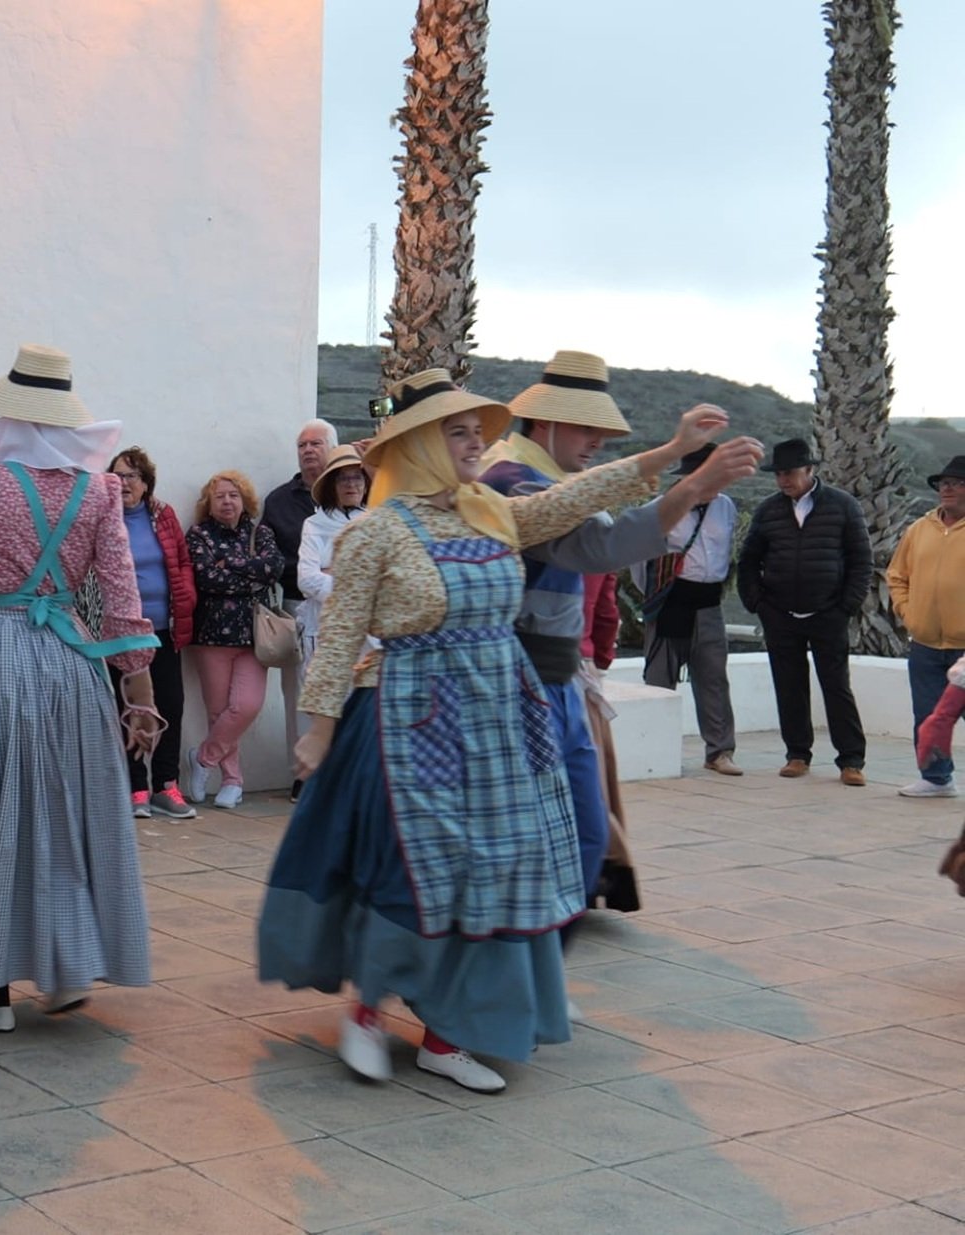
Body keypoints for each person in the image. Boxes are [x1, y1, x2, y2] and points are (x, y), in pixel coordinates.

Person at [257, 367, 756, 1095]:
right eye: (458, 432)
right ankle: (367, 1014)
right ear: (422, 442)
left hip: (495, 719)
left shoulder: (493, 511)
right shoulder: (377, 532)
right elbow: (338, 637)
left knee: (487, 872)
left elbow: (583, 498)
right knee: (407, 868)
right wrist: (321, 729)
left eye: (476, 431)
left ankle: (446, 1032)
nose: (474, 442)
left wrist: (670, 455)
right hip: (409, 717)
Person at [0, 343, 158, 1034]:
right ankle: (67, 963)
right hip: (70, 665)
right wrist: (142, 697)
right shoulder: (100, 491)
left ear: (9, 415)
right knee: (66, 810)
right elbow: (124, 599)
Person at [481, 351, 718, 920]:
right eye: (588, 427)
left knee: (582, 835)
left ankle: (530, 953)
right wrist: (686, 481)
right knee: (552, 837)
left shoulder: (543, 477)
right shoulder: (508, 478)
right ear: (547, 422)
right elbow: (597, 545)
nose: (596, 442)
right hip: (519, 680)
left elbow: (598, 536)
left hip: (560, 677)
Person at [738, 437, 870, 784]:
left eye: (790, 472)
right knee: (789, 686)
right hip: (780, 614)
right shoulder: (768, 510)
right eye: (778, 473)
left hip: (829, 614)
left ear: (810, 470)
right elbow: (749, 560)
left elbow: (861, 561)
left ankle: (851, 761)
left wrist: (846, 607)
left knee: (837, 687)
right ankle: (797, 754)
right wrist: (758, 604)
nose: (783, 480)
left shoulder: (843, 506)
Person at [182, 468, 283, 810]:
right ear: (208, 504)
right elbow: (207, 577)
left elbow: (273, 568)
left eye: (234, 495)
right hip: (212, 635)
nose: (227, 501)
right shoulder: (198, 535)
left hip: (254, 636)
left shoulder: (261, 532)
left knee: (246, 706)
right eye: (220, 496)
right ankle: (232, 781)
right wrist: (248, 574)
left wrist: (231, 565)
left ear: (245, 501)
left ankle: (203, 758)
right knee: (218, 711)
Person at [110, 446, 198, 820]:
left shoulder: (163, 516)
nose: (123, 483)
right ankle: (136, 788)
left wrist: (187, 598)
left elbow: (180, 561)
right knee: (129, 710)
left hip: (164, 630)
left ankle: (167, 785)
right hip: (122, 635)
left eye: (131, 476)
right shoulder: (104, 517)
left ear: (146, 483)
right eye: (116, 476)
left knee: (171, 706)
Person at [642, 443, 740, 776]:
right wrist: (654, 598)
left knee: (713, 678)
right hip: (671, 603)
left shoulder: (726, 507)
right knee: (659, 679)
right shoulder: (662, 507)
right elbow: (640, 561)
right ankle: (654, 750)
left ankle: (720, 751)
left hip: (709, 603)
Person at [263, 420, 338, 797]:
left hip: (346, 614)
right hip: (297, 607)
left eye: (316, 443)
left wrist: (329, 573)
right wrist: (313, 571)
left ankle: (337, 775)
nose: (308, 450)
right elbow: (273, 559)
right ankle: (302, 776)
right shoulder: (279, 501)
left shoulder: (356, 494)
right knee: (297, 696)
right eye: (302, 444)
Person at [888, 455, 965, 799]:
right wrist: (909, 613)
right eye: (944, 483)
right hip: (925, 644)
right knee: (928, 715)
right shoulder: (918, 530)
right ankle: (936, 779)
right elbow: (896, 576)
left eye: (957, 483)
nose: (947, 489)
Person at [581, 570, 639, 913]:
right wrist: (598, 661)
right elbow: (607, 611)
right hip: (581, 666)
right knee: (592, 779)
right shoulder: (599, 533)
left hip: (548, 668)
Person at [296, 445, 369, 671]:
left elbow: (386, 580)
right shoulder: (315, 524)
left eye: (357, 477)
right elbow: (307, 580)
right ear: (331, 485)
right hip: (325, 631)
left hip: (367, 635)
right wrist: (359, 585)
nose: (351, 484)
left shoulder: (376, 522)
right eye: (343, 479)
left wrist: (333, 573)